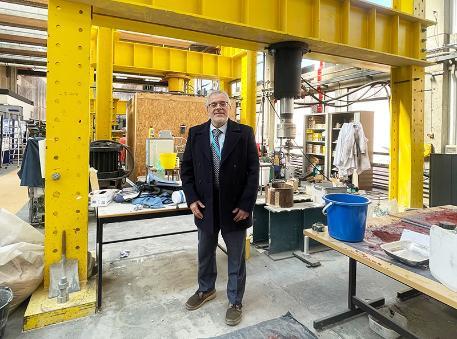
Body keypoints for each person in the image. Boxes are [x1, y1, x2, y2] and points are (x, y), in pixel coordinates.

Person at [181, 90, 259, 326]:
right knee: (205, 252)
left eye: (223, 103)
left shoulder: (243, 133)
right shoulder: (196, 134)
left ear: (230, 107)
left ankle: (235, 301)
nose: (218, 107)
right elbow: (187, 170)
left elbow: (253, 172)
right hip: (205, 205)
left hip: (235, 207)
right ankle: (206, 290)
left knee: (236, 257)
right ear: (207, 109)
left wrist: (246, 204)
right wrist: (192, 199)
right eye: (213, 104)